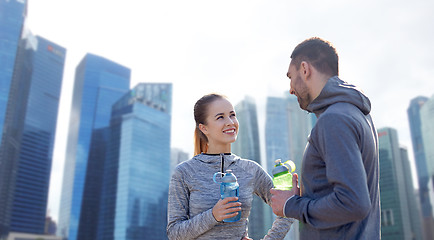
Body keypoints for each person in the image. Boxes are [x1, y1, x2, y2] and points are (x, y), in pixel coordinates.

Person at [270, 37, 380, 239]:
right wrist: (304, 195)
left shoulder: (334, 119)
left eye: (290, 77)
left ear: (304, 69)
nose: (291, 88)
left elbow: (353, 203)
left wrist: (290, 205)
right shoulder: (356, 114)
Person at [167, 93, 293, 240]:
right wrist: (213, 215)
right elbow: (174, 233)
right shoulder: (184, 172)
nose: (230, 122)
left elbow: (287, 207)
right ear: (204, 128)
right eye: (220, 117)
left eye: (232, 115)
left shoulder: (251, 169)